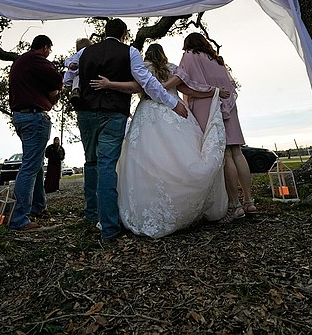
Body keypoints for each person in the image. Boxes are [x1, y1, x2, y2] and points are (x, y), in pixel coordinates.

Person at [90, 43, 231, 238]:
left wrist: (109, 85)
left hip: (148, 111)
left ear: (146, 55)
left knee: (147, 159)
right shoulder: (172, 68)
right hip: (176, 111)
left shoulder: (142, 67)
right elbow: (190, 90)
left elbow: (135, 88)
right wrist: (213, 92)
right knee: (177, 156)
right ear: (163, 54)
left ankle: (148, 206)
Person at [72, 19, 188, 241]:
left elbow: (68, 75)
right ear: (124, 33)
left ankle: (91, 214)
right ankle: (108, 227)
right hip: (113, 113)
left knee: (91, 162)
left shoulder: (85, 51)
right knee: (106, 166)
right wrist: (172, 103)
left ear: (104, 32)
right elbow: (146, 82)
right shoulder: (130, 52)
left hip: (86, 113)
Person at [175, 32, 255, 223]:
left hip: (208, 107)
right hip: (229, 105)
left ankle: (235, 205)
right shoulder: (218, 61)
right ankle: (249, 201)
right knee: (237, 152)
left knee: (225, 154)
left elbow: (184, 82)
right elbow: (231, 86)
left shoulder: (189, 56)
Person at [7, 35, 63, 231]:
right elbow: (57, 79)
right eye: (50, 50)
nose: (49, 54)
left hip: (21, 117)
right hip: (34, 117)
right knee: (30, 166)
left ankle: (38, 206)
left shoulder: (21, 63)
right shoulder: (37, 59)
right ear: (46, 47)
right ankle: (19, 219)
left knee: (37, 164)